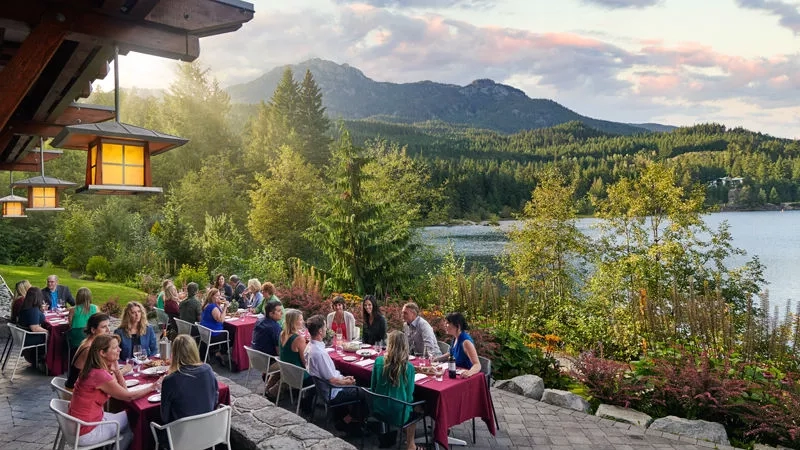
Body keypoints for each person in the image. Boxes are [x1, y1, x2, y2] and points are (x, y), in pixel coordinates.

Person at [68, 334, 156, 450]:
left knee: (131, 416)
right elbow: (128, 397)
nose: (120, 349)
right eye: (115, 348)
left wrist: (117, 371)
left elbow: (124, 391)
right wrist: (153, 387)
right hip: (87, 430)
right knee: (135, 418)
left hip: (77, 425)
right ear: (102, 353)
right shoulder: (99, 375)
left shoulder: (92, 369)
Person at [304, 315, 361, 428]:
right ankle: (347, 422)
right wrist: (347, 382)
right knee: (364, 393)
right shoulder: (319, 353)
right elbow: (332, 380)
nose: (327, 329)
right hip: (332, 392)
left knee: (355, 378)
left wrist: (344, 378)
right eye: (325, 327)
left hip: (324, 388)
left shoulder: (309, 347)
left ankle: (343, 416)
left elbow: (329, 376)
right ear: (320, 331)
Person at [371, 331, 420, 450]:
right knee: (417, 408)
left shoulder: (378, 361)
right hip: (398, 415)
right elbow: (409, 397)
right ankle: (411, 445)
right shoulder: (409, 368)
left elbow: (373, 387)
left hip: (377, 409)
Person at [159, 335, 218, 425]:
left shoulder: (170, 380)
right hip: (209, 429)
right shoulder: (208, 369)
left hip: (181, 435)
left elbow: (164, 417)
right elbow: (215, 400)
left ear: (174, 354)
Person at [66, 313, 116, 389]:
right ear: (93, 330)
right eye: (103, 327)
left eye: (108, 326)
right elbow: (105, 376)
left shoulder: (88, 342)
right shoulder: (89, 349)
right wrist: (123, 370)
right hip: (74, 392)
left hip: (79, 386)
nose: (108, 330)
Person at [251, 300, 283, 397]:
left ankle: (268, 385)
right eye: (278, 311)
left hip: (256, 360)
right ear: (271, 313)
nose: (281, 313)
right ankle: (274, 391)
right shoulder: (275, 327)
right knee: (290, 365)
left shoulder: (259, 321)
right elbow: (279, 352)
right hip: (267, 362)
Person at [436, 312, 481, 377]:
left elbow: (477, 365)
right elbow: (451, 353)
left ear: (458, 326)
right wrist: (436, 359)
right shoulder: (455, 337)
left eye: (448, 323)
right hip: (455, 374)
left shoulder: (466, 342)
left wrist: (469, 373)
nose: (445, 325)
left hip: (466, 377)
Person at [16, 287, 48, 365]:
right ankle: (47, 362)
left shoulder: (25, 307)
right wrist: (47, 331)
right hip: (28, 338)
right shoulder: (33, 310)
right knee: (55, 336)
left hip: (21, 336)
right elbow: (35, 328)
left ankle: (38, 358)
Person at [198, 288, 229, 364]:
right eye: (217, 296)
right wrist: (225, 307)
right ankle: (221, 353)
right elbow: (221, 320)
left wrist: (219, 305)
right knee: (231, 333)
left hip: (205, 333)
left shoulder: (206, 305)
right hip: (213, 334)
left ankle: (219, 351)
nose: (219, 297)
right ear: (212, 296)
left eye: (219, 295)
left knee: (228, 329)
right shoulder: (213, 307)